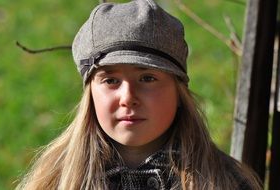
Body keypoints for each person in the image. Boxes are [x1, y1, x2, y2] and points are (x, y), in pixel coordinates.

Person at [16, 0, 262, 189]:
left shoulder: (225, 181)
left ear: (179, 92)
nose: (128, 97)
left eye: (147, 78)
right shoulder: (55, 179)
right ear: (90, 96)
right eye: (111, 80)